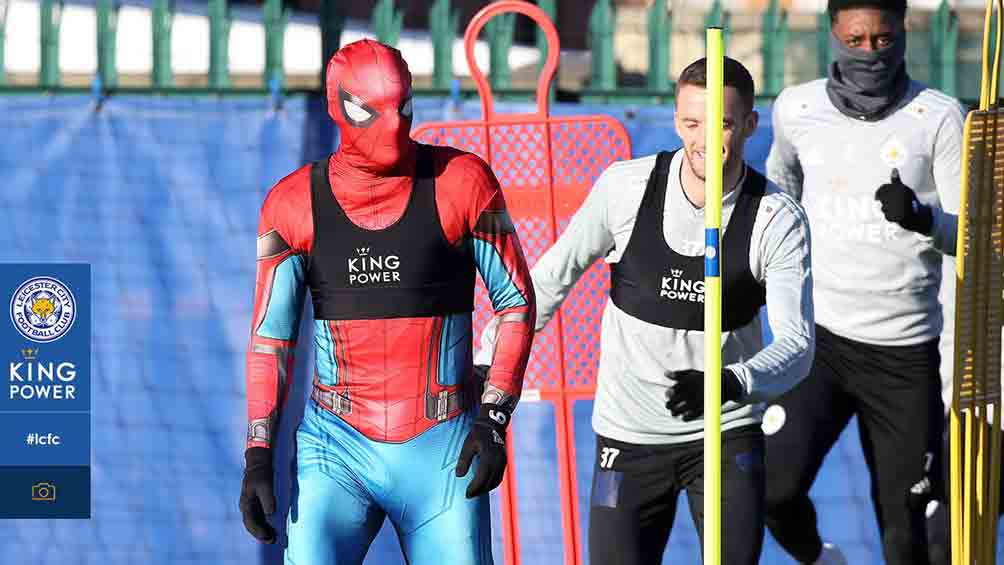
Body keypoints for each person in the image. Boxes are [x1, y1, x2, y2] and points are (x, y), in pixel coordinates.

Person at [478, 57, 814, 565]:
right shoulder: (626, 189)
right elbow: (545, 284)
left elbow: (798, 344)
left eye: (721, 123)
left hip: (724, 430)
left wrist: (732, 381)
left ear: (749, 124)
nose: (704, 139)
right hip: (628, 436)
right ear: (677, 120)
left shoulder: (775, 218)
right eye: (692, 123)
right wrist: (489, 363)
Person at [238, 39, 536, 565]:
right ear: (339, 106)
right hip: (337, 449)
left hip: (441, 444)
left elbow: (515, 301)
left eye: (402, 107)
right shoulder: (292, 204)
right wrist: (258, 452)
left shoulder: (462, 182)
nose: (392, 126)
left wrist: (492, 419)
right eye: (371, 109)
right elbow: (270, 340)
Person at [762, 0, 964, 561]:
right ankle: (824, 560)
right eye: (855, 40)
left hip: (906, 355)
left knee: (910, 537)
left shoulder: (939, 118)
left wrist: (924, 219)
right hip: (819, 343)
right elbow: (781, 191)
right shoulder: (796, 109)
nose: (869, 53)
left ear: (902, 34)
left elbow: (975, 239)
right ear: (832, 35)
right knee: (769, 490)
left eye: (882, 39)